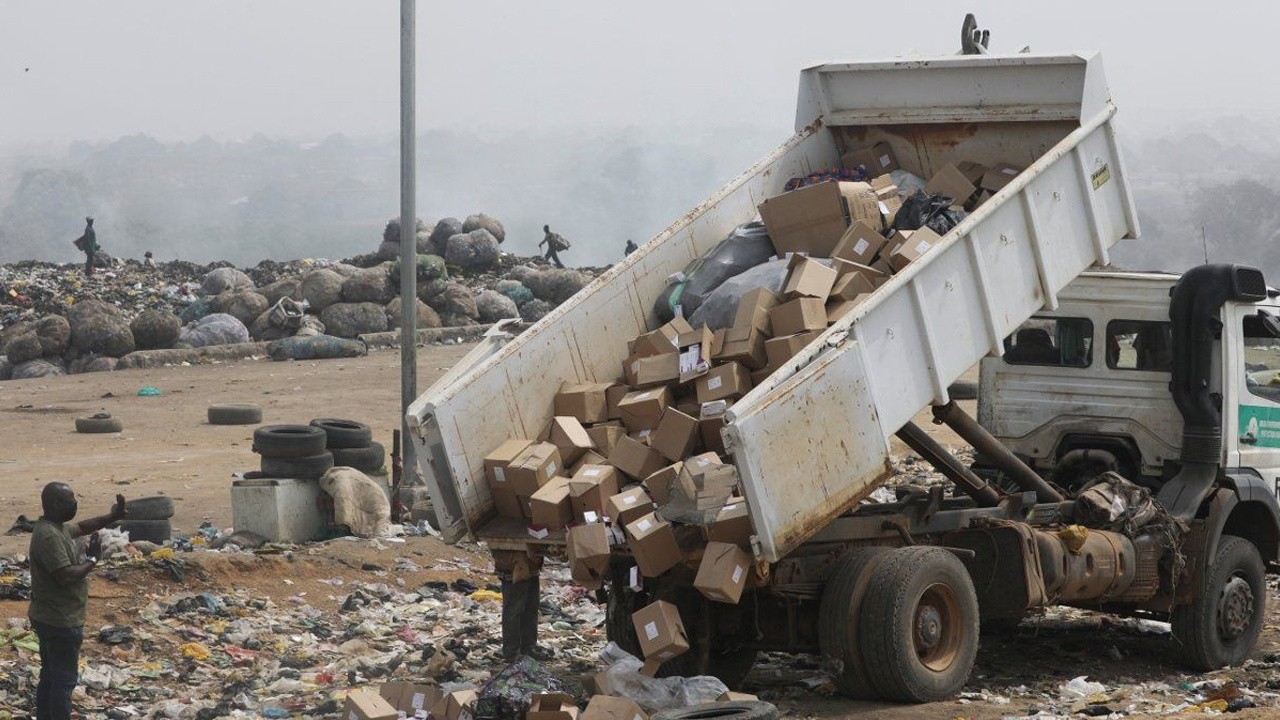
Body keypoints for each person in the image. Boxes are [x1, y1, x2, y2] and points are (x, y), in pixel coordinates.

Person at [29, 484, 126, 720]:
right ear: (55, 504)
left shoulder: (55, 527)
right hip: (60, 619)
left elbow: (83, 526)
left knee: (50, 675)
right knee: (64, 680)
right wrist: (93, 559)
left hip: (48, 615)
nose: (75, 503)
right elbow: (65, 576)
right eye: (70, 499)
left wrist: (111, 517)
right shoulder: (49, 536)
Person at [492, 547, 552, 661]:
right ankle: (512, 652)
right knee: (514, 610)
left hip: (531, 565)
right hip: (513, 564)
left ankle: (528, 648)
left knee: (531, 609)